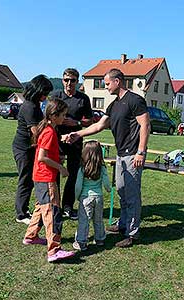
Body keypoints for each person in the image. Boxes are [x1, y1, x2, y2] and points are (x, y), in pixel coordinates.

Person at [63, 68, 150, 248]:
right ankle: (124, 224)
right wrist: (77, 134)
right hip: (121, 154)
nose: (106, 87)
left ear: (117, 81)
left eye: (107, 83)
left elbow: (145, 125)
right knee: (121, 190)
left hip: (133, 154)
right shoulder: (114, 104)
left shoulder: (135, 100)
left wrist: (140, 151)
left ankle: (132, 233)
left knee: (132, 194)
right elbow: (99, 126)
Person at [23, 98, 75, 262]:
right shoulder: (49, 132)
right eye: (63, 115)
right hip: (46, 177)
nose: (65, 118)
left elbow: (46, 152)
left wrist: (57, 156)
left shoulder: (49, 130)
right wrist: (60, 167)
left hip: (39, 176)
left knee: (40, 207)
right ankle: (54, 250)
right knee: (52, 211)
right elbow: (42, 157)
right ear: (54, 115)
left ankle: (30, 236)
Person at [52, 68, 93, 220]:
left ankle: (67, 207)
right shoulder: (56, 96)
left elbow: (89, 120)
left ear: (77, 81)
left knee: (73, 174)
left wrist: (76, 122)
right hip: (57, 140)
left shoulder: (83, 98)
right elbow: (49, 117)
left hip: (75, 140)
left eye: (72, 80)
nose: (69, 83)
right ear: (62, 80)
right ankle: (54, 206)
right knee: (54, 172)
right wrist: (61, 124)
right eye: (66, 80)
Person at [12, 75, 53, 225]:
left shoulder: (35, 104)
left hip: (30, 148)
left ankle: (24, 210)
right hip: (22, 148)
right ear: (37, 90)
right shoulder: (29, 106)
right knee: (25, 179)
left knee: (29, 179)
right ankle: (21, 214)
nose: (46, 96)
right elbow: (36, 131)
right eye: (44, 93)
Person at [73, 140, 111, 251]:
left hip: (85, 198)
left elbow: (78, 185)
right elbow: (107, 182)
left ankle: (81, 241)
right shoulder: (102, 167)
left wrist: (77, 196)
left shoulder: (82, 168)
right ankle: (100, 239)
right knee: (98, 219)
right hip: (98, 197)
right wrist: (108, 189)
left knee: (84, 220)